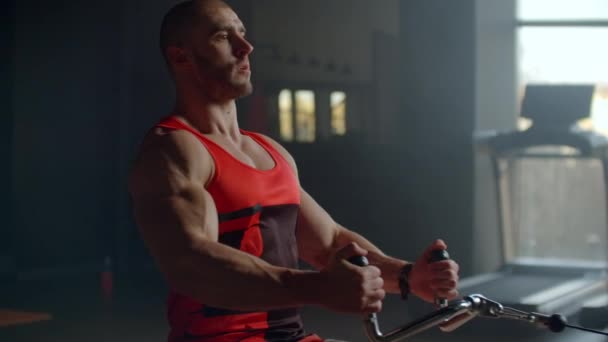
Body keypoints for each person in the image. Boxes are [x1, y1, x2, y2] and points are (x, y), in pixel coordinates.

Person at [128, 1, 460, 341]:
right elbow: (192, 264)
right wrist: (317, 287)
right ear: (181, 57)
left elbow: (328, 243)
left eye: (242, 33)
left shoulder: (270, 152)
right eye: (223, 37)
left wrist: (407, 277)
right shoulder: (173, 149)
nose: (246, 47)